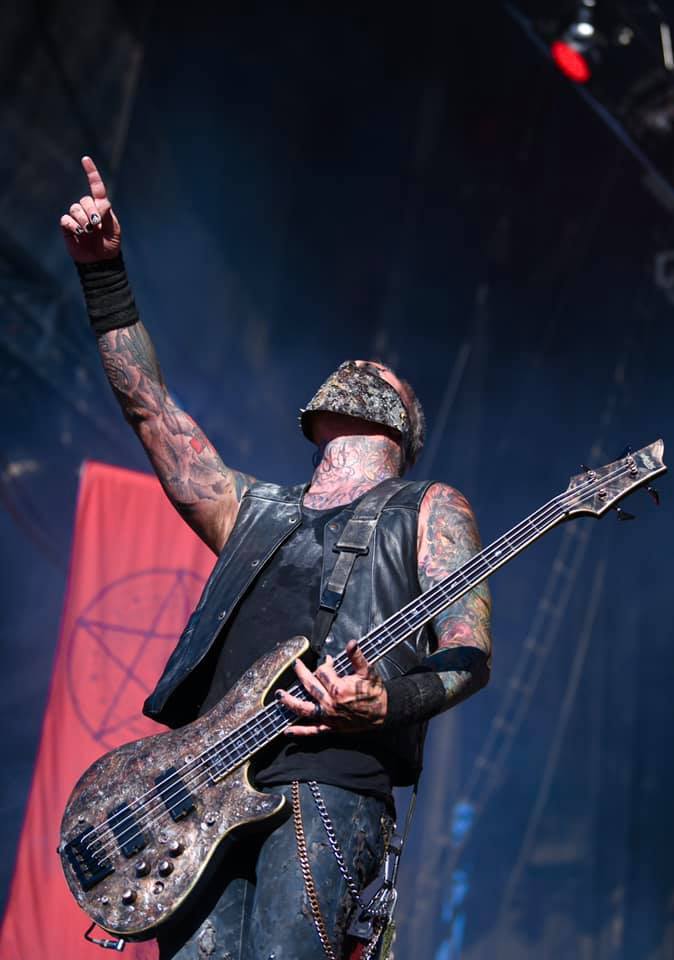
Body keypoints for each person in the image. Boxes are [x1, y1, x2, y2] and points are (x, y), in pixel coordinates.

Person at [60, 156, 492, 960]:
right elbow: (150, 410)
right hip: (196, 803)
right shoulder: (253, 509)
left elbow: (470, 651)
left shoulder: (430, 506)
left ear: (402, 423)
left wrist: (385, 704)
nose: (360, 364)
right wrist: (103, 275)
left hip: (329, 786)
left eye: (382, 374)